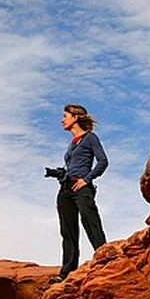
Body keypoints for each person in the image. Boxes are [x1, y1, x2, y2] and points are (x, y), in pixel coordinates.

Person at [54, 103, 108, 281]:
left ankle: (105, 260)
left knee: (90, 221)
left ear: (75, 118)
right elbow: (71, 167)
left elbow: (102, 162)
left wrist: (87, 179)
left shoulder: (90, 138)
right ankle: (66, 273)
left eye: (65, 116)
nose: (62, 120)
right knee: (67, 231)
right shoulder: (71, 144)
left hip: (82, 187)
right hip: (66, 189)